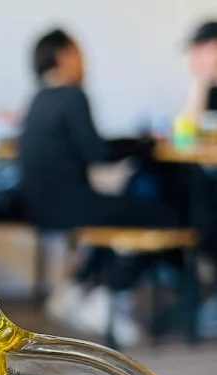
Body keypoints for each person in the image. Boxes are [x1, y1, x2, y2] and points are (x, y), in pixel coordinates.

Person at [20, 29, 181, 342]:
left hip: (41, 207)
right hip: (73, 206)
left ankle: (80, 287)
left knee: (122, 206)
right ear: (64, 54)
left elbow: (90, 146)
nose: (86, 63)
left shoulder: (39, 98)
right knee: (167, 215)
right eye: (81, 54)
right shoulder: (72, 95)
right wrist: (143, 146)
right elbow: (98, 154)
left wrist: (135, 143)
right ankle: (111, 294)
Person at [184, 21, 217, 120]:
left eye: (204, 49)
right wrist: (198, 80)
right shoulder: (211, 89)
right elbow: (191, 124)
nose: (196, 57)